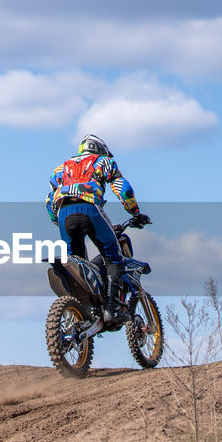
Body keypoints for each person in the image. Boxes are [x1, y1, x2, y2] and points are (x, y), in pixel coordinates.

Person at [46, 134, 150, 322]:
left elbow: (49, 200)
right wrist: (135, 212)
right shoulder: (103, 161)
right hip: (89, 209)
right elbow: (122, 187)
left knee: (75, 263)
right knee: (114, 257)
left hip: (64, 215)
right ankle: (112, 309)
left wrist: (57, 220)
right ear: (100, 149)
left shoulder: (62, 167)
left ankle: (82, 313)